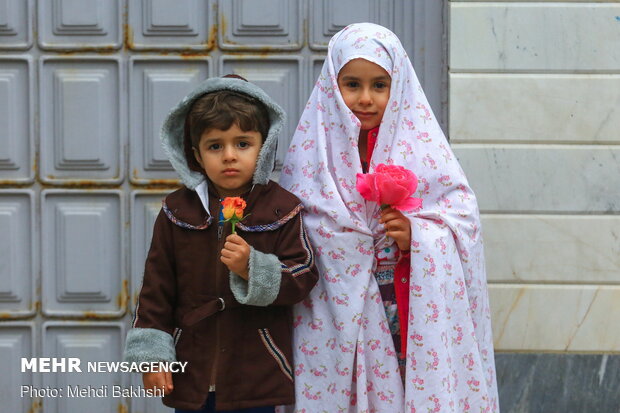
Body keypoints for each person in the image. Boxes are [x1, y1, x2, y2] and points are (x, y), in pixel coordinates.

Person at [279, 23, 499, 412]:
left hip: (405, 316)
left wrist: (417, 235)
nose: (365, 98)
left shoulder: (422, 146)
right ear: (332, 85)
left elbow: (462, 220)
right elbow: (295, 228)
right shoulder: (314, 153)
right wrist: (346, 241)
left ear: (398, 86)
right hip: (336, 322)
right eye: (352, 85)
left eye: (380, 85)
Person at [124, 75, 319, 413]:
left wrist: (253, 268)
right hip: (193, 369)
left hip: (256, 372)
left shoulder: (282, 208)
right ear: (196, 155)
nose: (229, 156)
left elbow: (303, 275)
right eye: (215, 146)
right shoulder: (177, 211)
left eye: (242, 143)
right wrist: (152, 357)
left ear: (264, 145)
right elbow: (157, 289)